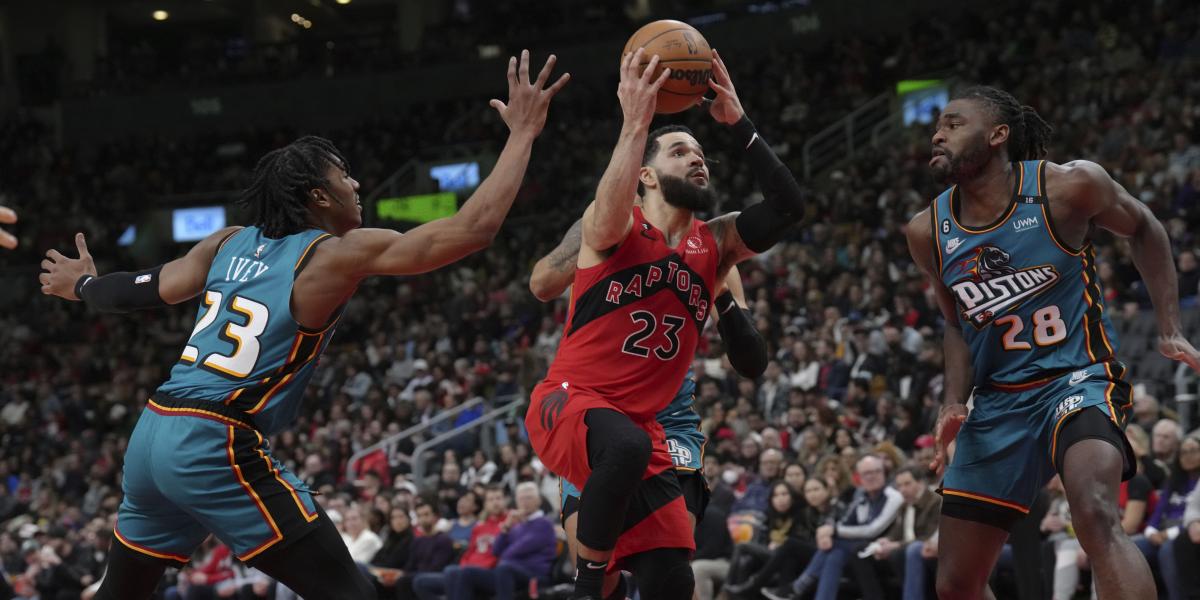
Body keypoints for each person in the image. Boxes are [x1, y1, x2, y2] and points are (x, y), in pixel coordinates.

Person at [36, 51, 569, 600]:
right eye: (345, 176)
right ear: (318, 196)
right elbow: (472, 230)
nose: (357, 183)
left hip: (152, 433)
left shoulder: (227, 241)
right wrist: (523, 134)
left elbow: (147, 289)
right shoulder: (333, 253)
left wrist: (82, 287)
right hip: (213, 440)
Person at [525, 46, 804, 599]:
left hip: (652, 426)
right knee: (617, 481)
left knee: (673, 580)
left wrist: (738, 122)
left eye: (702, 152)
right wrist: (636, 122)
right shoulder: (613, 225)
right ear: (647, 176)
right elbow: (544, 278)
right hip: (571, 400)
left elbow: (788, 207)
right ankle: (585, 586)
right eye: (681, 151)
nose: (698, 159)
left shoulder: (717, 244)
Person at [905, 85, 1200, 600]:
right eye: (938, 126)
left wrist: (1169, 325)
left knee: (1094, 510)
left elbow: (1145, 227)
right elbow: (955, 324)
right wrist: (953, 400)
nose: (938, 133)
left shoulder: (1067, 187)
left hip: (1075, 377)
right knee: (955, 583)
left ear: (997, 135)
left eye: (954, 124)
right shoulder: (927, 230)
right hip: (996, 401)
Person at [443, 481, 556, 600]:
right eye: (521, 498)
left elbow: (518, 550)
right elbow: (496, 550)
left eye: (529, 498)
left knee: (504, 568)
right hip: (508, 572)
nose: (525, 502)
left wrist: (503, 557)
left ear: (539, 501)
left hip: (532, 574)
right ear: (516, 501)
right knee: (465, 573)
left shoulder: (544, 524)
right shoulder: (516, 524)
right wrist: (506, 528)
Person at [849, 466, 941, 600]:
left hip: (924, 550)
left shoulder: (934, 502)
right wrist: (886, 540)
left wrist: (896, 545)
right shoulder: (904, 505)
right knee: (859, 551)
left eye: (907, 484)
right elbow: (896, 532)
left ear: (920, 483)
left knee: (900, 553)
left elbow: (927, 538)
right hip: (904, 548)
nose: (902, 489)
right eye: (899, 485)